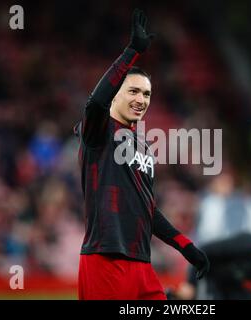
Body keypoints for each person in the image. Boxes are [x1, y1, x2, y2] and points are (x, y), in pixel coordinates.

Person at [74, 9, 209, 300]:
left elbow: (148, 209)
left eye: (146, 94)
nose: (141, 100)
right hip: (105, 260)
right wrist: (132, 52)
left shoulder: (143, 145)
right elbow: (95, 102)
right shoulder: (98, 130)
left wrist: (186, 247)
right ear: (116, 94)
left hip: (141, 263)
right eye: (134, 91)